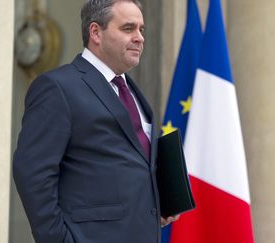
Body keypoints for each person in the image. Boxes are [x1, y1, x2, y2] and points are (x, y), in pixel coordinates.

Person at [13, 1, 177, 242]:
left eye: (141, 29)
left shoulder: (131, 91)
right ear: (96, 33)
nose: (140, 37)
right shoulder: (57, 87)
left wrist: (155, 203)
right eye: (128, 28)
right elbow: (32, 173)